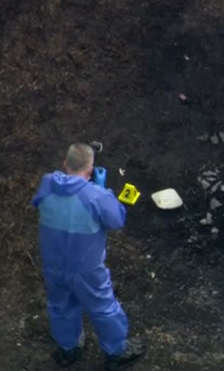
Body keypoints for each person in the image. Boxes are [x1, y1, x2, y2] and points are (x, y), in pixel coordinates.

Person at [32, 143, 145, 369]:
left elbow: (41, 201)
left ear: (65, 164)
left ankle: (68, 349)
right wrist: (102, 191)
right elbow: (116, 219)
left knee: (60, 306)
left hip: (53, 263)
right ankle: (116, 352)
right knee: (103, 307)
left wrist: (90, 189)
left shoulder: (47, 184)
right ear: (91, 169)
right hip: (86, 268)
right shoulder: (95, 197)